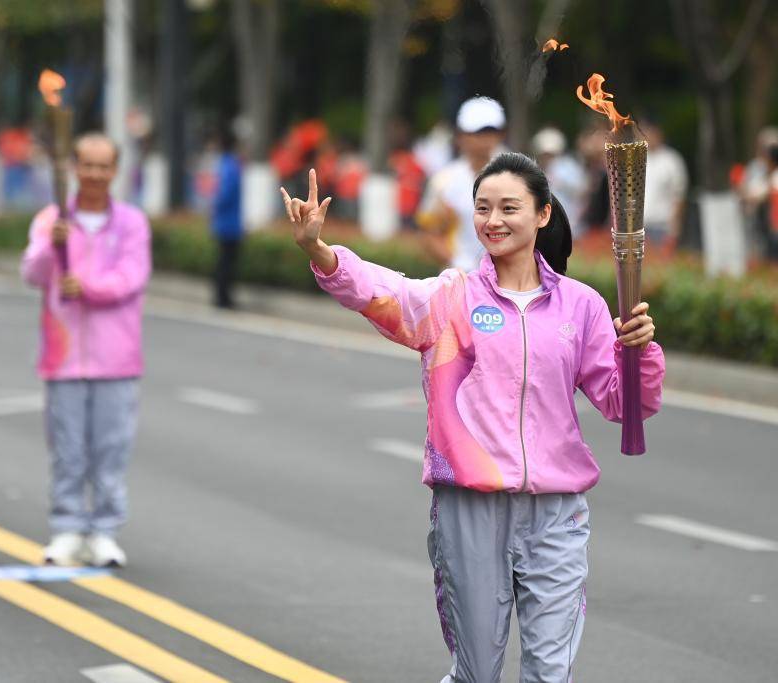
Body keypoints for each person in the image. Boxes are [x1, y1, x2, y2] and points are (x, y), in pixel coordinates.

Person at [280, 153, 665, 680]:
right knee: (477, 672)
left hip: (556, 513)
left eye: (510, 207)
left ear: (543, 214)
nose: (494, 220)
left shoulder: (582, 307)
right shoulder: (451, 298)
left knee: (550, 672)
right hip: (470, 506)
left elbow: (626, 404)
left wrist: (640, 350)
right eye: (483, 208)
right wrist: (319, 251)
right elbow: (382, 291)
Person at [21, 132, 151, 568]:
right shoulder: (49, 220)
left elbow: (132, 277)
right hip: (63, 356)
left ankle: (104, 532)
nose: (94, 173)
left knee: (110, 449)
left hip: (117, 358)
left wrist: (89, 288)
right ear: (73, 168)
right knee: (68, 449)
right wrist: (51, 246)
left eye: (103, 166)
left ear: (115, 171)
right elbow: (33, 273)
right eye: (87, 165)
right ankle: (67, 529)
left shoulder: (131, 222)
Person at [417, 96, 506, 271]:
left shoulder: (520, 176)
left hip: (507, 280)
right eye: (477, 132)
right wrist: (457, 261)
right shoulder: (444, 181)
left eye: (490, 131)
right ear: (461, 135)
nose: (484, 138)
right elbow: (429, 233)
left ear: (501, 133)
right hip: (461, 280)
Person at [638, 117, 688, 256]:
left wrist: (674, 229)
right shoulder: (638, 159)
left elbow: (679, 196)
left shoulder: (671, 160)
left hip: (662, 227)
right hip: (639, 227)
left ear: (658, 134)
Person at [531, 126, 587, 238]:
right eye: (544, 154)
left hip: (570, 222)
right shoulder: (534, 168)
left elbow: (581, 192)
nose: (547, 157)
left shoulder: (569, 167)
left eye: (550, 153)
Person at [211, 127, 243, 309]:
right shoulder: (232, 165)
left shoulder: (223, 164)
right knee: (227, 263)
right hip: (229, 223)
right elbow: (224, 194)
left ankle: (222, 296)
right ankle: (223, 298)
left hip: (223, 221)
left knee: (224, 261)